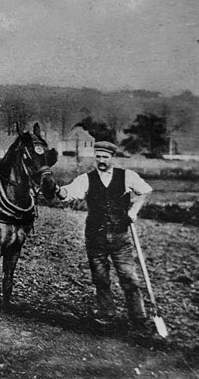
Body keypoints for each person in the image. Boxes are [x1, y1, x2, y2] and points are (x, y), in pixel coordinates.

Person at [55, 141, 153, 333]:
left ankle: (139, 319)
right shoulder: (86, 179)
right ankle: (107, 315)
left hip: (120, 238)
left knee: (129, 279)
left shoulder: (126, 176)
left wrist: (134, 210)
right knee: (100, 278)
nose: (101, 160)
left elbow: (146, 191)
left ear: (112, 158)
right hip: (95, 237)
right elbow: (68, 193)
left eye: (105, 157)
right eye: (98, 156)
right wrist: (57, 190)